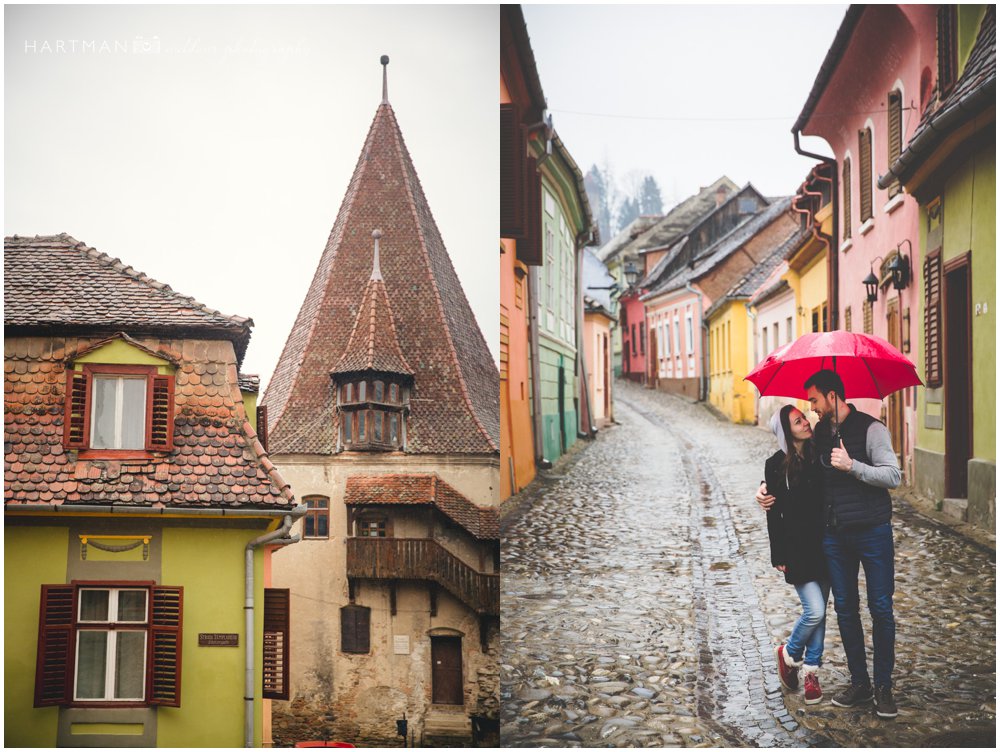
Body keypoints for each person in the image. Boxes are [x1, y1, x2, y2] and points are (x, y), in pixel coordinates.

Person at [756, 369, 901, 718]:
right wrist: (763, 491)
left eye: (815, 400)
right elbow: (793, 469)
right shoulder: (820, 433)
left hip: (872, 531)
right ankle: (860, 683)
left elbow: (893, 475)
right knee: (845, 611)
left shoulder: (872, 429)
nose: (812, 409)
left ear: (832, 396)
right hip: (835, 537)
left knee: (880, 608)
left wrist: (853, 465)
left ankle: (883, 686)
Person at [764, 404, 829, 706]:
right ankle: (789, 653)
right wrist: (778, 552)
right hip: (796, 548)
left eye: (804, 417)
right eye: (797, 421)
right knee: (814, 610)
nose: (805, 421)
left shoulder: (820, 453)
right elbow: (773, 513)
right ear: (785, 431)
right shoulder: (775, 465)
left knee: (821, 613)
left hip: (826, 544)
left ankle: (811, 673)